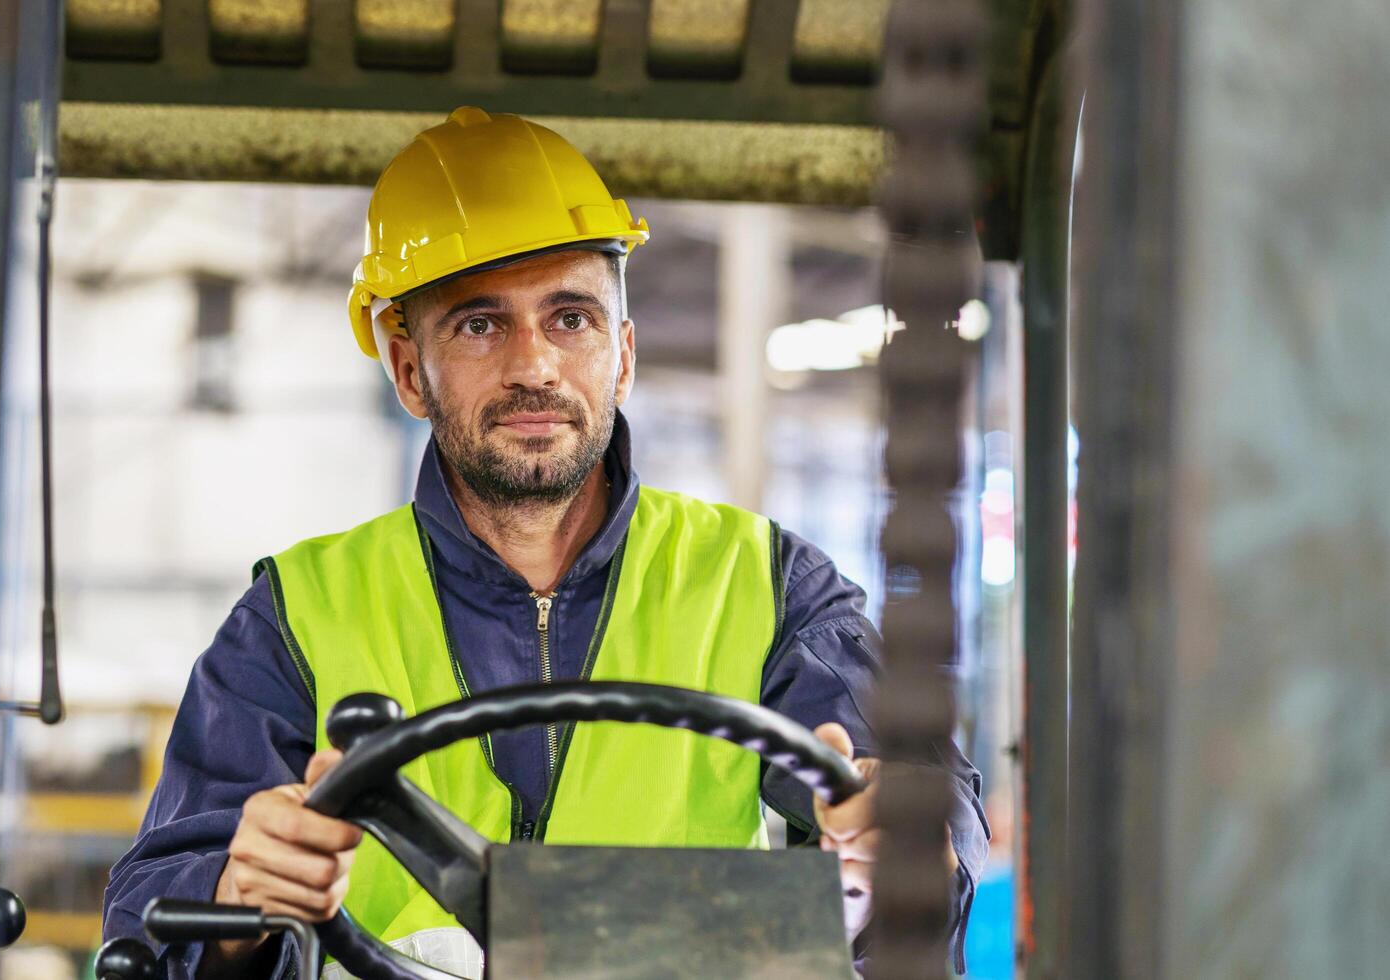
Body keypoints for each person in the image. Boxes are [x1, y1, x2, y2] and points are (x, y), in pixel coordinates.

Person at [101, 107, 988, 979]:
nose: (534, 363)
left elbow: (925, 824)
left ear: (623, 356)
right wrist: (236, 908)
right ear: (411, 371)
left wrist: (900, 835)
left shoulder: (767, 585)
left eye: (571, 318)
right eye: (480, 324)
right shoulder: (295, 615)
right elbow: (156, 919)